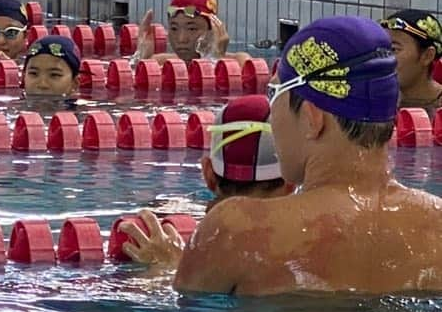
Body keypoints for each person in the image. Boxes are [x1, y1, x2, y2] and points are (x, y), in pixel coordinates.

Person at [132, 16, 442, 295]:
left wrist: (166, 269)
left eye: (274, 94)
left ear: (312, 117)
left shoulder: (239, 228)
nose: (271, 116)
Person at [121, 95, 292, 266]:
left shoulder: (171, 216)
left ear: (208, 173)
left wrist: (168, 267)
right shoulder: (304, 242)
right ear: (291, 182)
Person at [134, 0, 248, 65]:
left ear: (212, 29)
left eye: (192, 29)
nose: (181, 39)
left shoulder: (241, 63)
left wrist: (216, 60)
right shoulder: (160, 63)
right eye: (174, 28)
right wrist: (141, 58)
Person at [380, 9, 442, 117]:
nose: (384, 58)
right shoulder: (375, 103)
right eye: (382, 49)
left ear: (427, 56)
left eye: (394, 49)